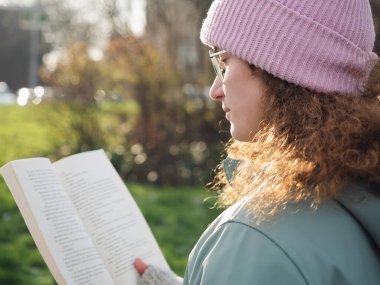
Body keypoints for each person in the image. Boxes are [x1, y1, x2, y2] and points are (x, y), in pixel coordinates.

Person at [134, 0, 380, 284]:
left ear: (279, 68)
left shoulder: (257, 241)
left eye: (223, 63)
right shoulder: (361, 194)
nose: (215, 91)